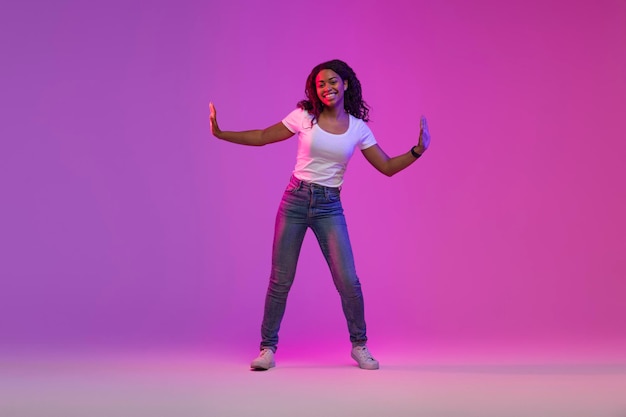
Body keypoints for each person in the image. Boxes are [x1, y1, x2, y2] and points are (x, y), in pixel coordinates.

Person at [209, 59, 430, 370]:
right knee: (280, 280)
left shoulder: (357, 128)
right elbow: (262, 136)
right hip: (295, 200)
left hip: (329, 206)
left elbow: (387, 167)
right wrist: (222, 133)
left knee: (348, 281)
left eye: (333, 81)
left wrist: (417, 150)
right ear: (315, 91)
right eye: (320, 84)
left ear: (346, 84)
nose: (327, 87)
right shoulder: (304, 117)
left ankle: (359, 346)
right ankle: (267, 350)